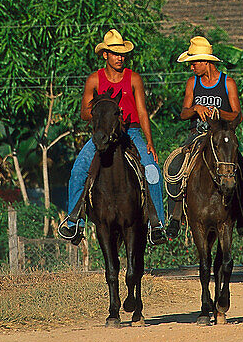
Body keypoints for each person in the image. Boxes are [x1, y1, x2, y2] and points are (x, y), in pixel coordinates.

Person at [58, 28, 166, 245]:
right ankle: (74, 222)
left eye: (122, 53)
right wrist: (105, 113)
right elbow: (84, 113)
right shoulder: (94, 80)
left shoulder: (133, 78)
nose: (120, 57)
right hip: (102, 134)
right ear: (105, 55)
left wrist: (150, 142)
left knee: (153, 172)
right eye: (115, 53)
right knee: (79, 170)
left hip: (131, 132)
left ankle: (157, 224)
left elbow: (142, 111)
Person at [165, 35, 243, 238]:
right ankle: (175, 217)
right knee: (176, 165)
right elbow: (183, 113)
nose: (192, 66)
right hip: (197, 135)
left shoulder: (227, 83)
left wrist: (218, 113)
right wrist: (196, 108)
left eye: (194, 62)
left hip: (221, 136)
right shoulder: (192, 82)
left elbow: (238, 115)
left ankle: (242, 216)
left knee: (241, 169)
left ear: (206, 61)